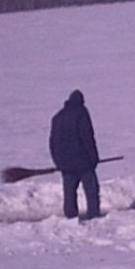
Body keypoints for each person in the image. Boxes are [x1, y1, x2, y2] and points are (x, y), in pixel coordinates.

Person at [49, 89, 102, 221]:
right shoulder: (82, 113)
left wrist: (58, 162)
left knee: (69, 193)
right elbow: (88, 138)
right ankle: (94, 217)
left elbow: (53, 142)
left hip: (66, 165)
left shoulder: (57, 117)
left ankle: (70, 219)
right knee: (91, 191)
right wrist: (94, 158)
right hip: (84, 163)